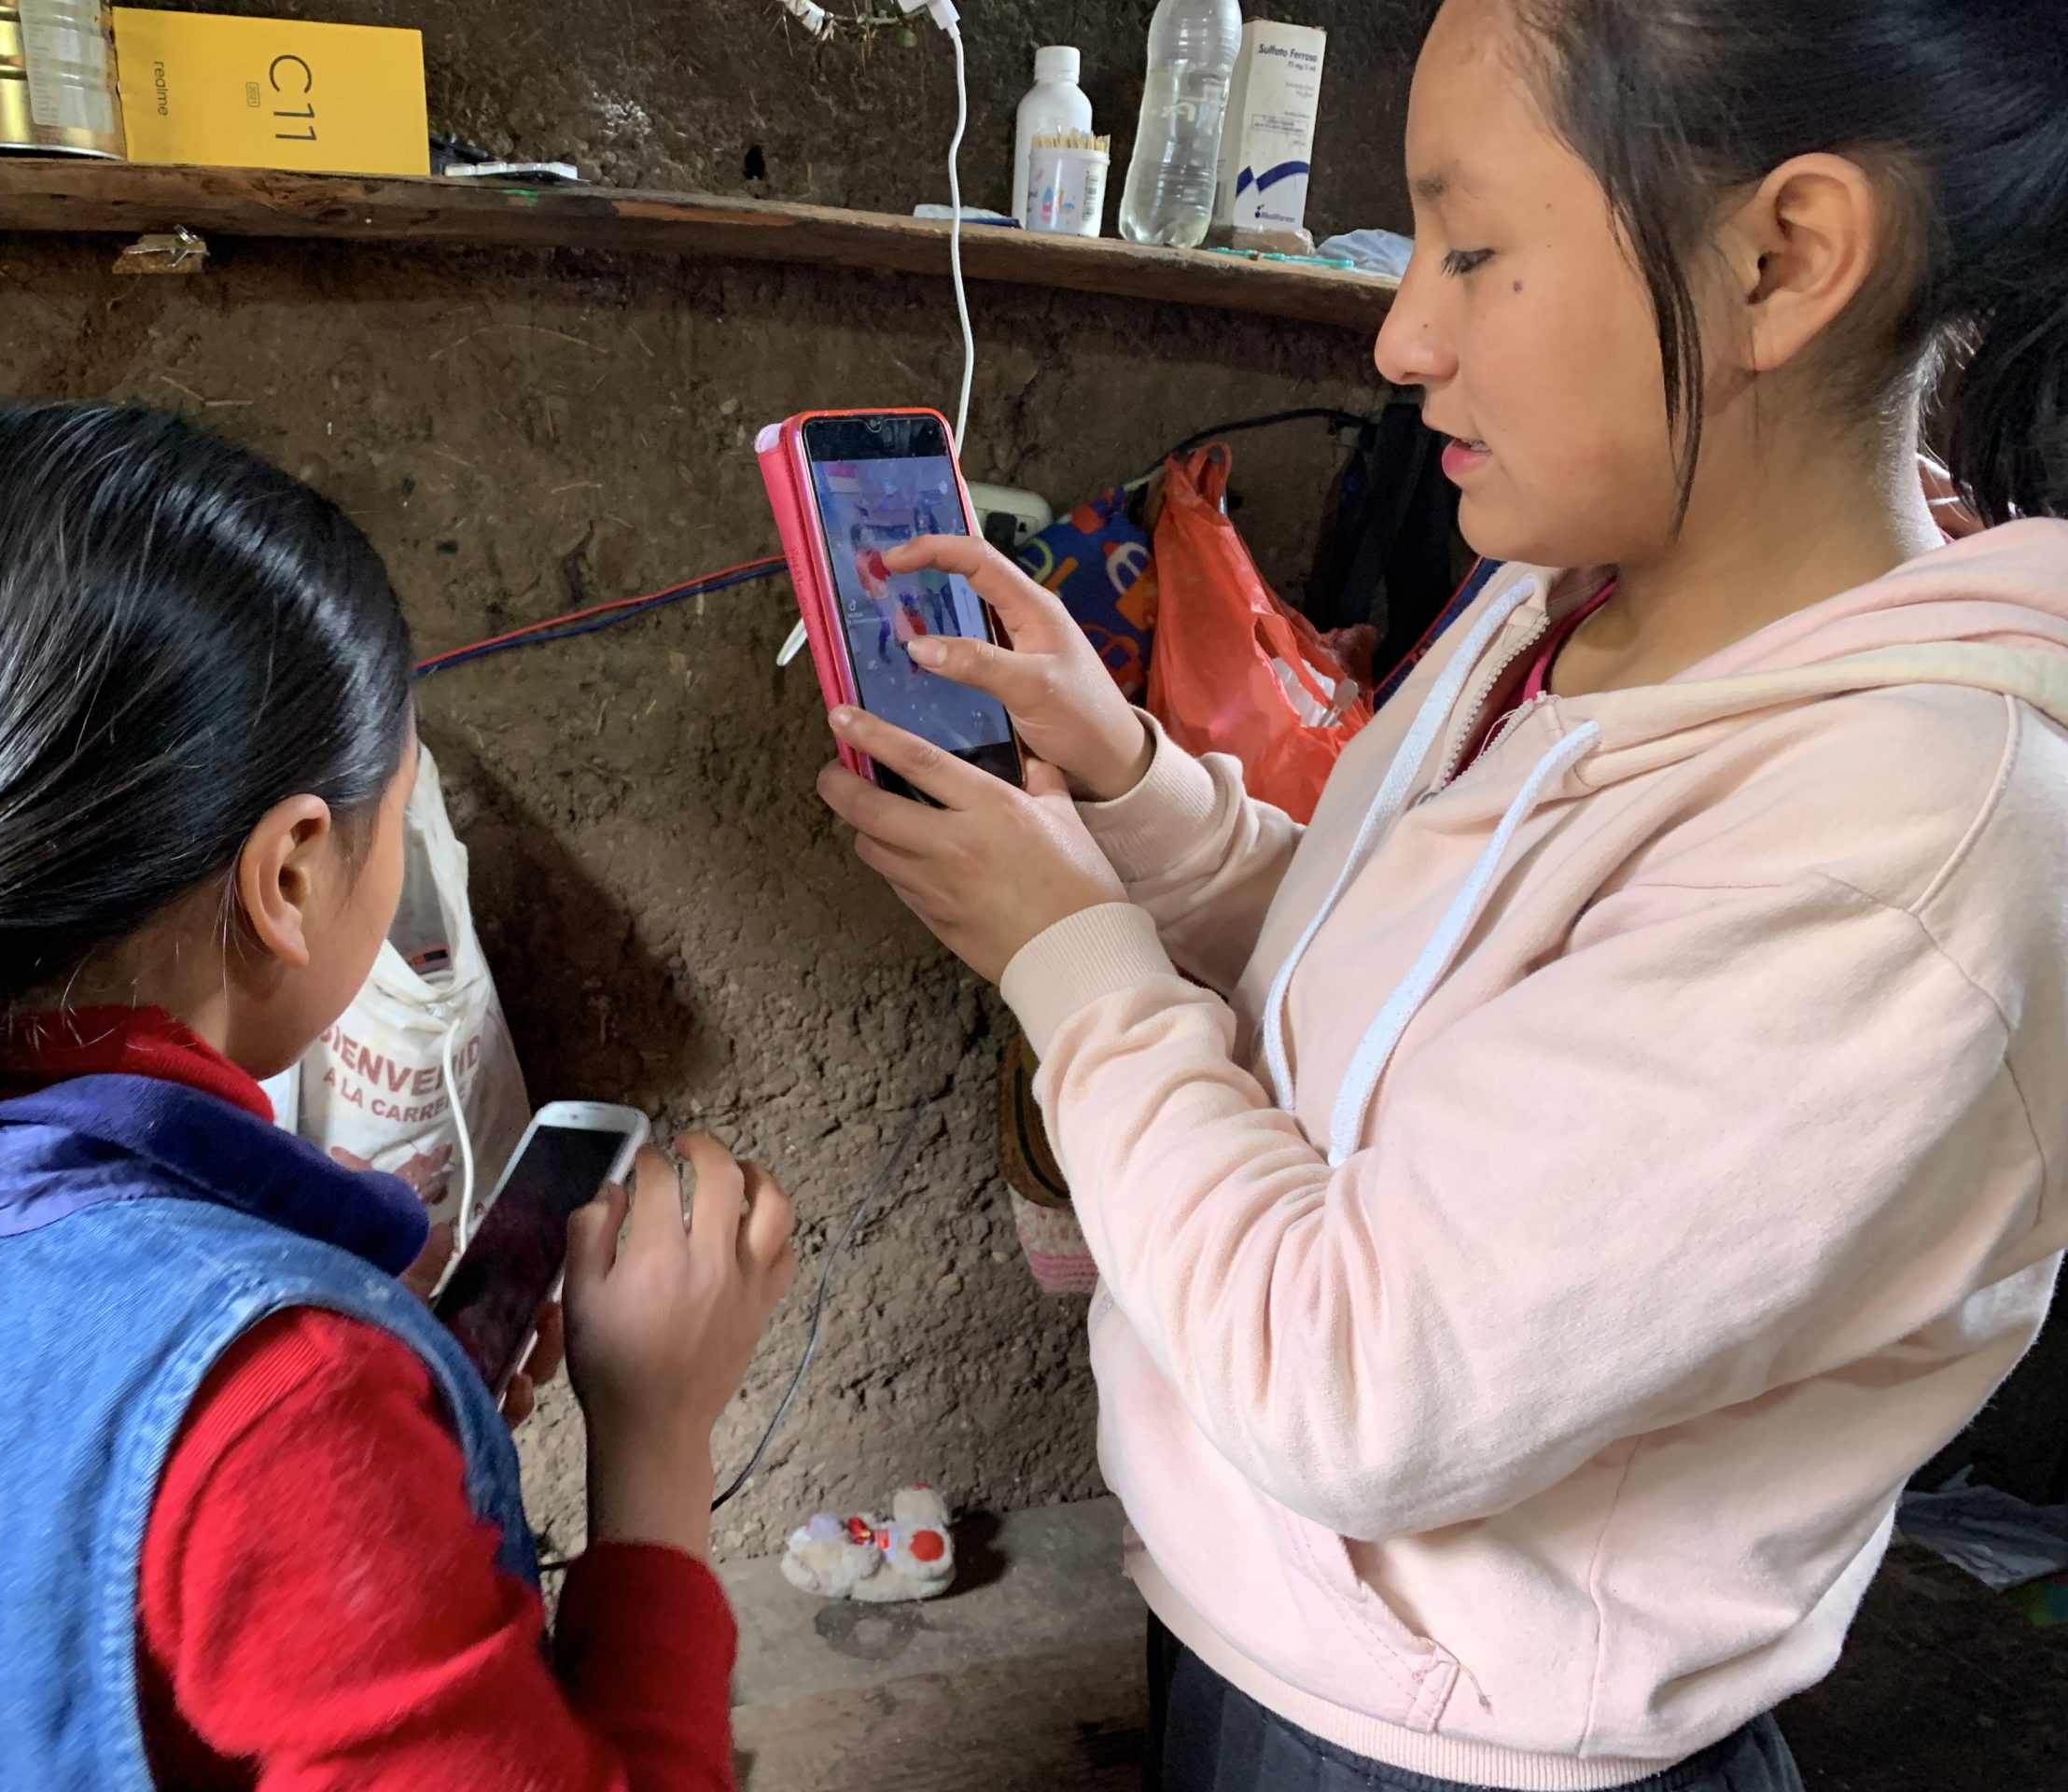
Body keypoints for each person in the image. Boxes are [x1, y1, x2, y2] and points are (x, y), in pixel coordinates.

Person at [817, 2, 2068, 1788]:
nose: (1401, 333)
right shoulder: (1553, 605)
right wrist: (1138, 798)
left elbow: (1352, 1386)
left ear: (1784, 260)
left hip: (1458, 1751)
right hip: (1274, 1637)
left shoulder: (1904, 856)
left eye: (1475, 250)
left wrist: (1072, 959)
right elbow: (1385, 990)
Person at [0, 402, 797, 1792]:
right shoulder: (287, 1403)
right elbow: (238, 1465)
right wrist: (657, 1439)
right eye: (399, 814)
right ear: (290, 876)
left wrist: (407, 1395)